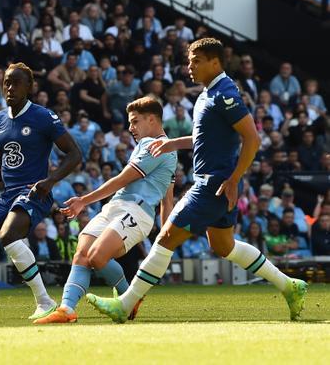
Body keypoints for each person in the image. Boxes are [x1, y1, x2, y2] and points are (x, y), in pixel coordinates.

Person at [86, 38, 307, 323]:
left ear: (215, 62)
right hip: (214, 183)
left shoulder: (225, 93)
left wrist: (234, 178)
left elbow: (252, 138)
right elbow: (206, 138)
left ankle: (125, 304)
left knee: (166, 236)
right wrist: (171, 144)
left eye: (196, 61)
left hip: (211, 184)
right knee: (223, 246)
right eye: (189, 60)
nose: (189, 66)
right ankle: (290, 285)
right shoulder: (207, 94)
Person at [0, 63, 82, 320]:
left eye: (16, 82)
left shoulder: (43, 116)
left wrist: (50, 181)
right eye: (7, 82)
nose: (10, 87)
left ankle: (45, 302)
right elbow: (0, 167)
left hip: (34, 193)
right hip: (8, 195)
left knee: (8, 236)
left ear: (29, 87)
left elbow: (74, 154)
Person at [35, 97, 176, 324]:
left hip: (137, 212)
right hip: (115, 205)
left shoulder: (157, 148)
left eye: (135, 121)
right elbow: (167, 199)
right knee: (82, 253)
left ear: (152, 119)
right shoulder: (151, 146)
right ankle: (67, 309)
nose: (131, 128)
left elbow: (124, 180)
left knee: (97, 256)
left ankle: (129, 297)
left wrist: (84, 200)